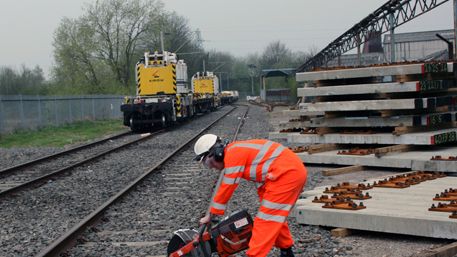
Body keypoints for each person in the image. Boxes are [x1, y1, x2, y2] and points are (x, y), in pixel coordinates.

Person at [193, 134, 307, 257]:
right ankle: (286, 251)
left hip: (285, 175)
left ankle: (255, 254)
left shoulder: (233, 155)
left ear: (216, 154)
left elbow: (227, 187)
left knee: (265, 221)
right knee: (274, 218)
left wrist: (210, 215)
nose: (212, 167)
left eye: (209, 163)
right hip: (282, 174)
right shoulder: (234, 150)